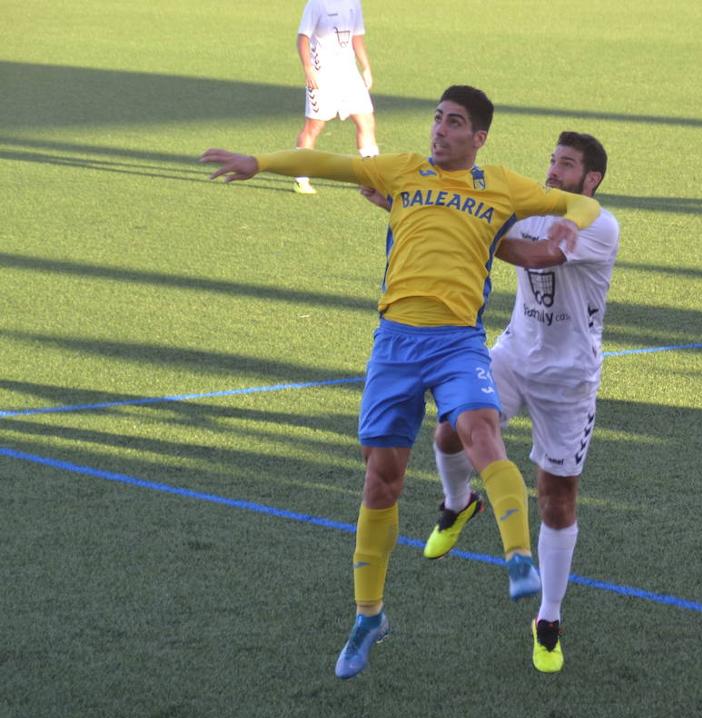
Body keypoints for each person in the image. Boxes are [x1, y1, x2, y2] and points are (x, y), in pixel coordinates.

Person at [199, 85, 602, 679]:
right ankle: (369, 617)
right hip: (394, 344)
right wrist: (259, 163)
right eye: (437, 119)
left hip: (458, 340)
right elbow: (329, 163)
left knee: (481, 432)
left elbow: (579, 207)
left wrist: (571, 227)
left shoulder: (500, 185)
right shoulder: (403, 172)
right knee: (381, 481)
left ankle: (519, 558)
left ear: (478, 137)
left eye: (454, 122)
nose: (440, 130)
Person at [365, 132, 618, 674]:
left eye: (566, 166)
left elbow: (530, 254)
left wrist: (459, 226)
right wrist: (410, 206)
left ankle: (547, 618)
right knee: (451, 429)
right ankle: (459, 504)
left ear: (590, 179)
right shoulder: (531, 203)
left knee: (556, 498)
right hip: (511, 355)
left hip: (569, 383)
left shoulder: (596, 225)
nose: (553, 172)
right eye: (552, 160)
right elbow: (480, 220)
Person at [293, 0, 378, 194]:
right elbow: (303, 38)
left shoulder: (354, 3)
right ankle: (300, 177)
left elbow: (357, 38)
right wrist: (308, 69)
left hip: (349, 75)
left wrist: (365, 67)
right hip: (322, 76)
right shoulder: (316, 4)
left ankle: (372, 175)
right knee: (314, 127)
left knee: (365, 121)